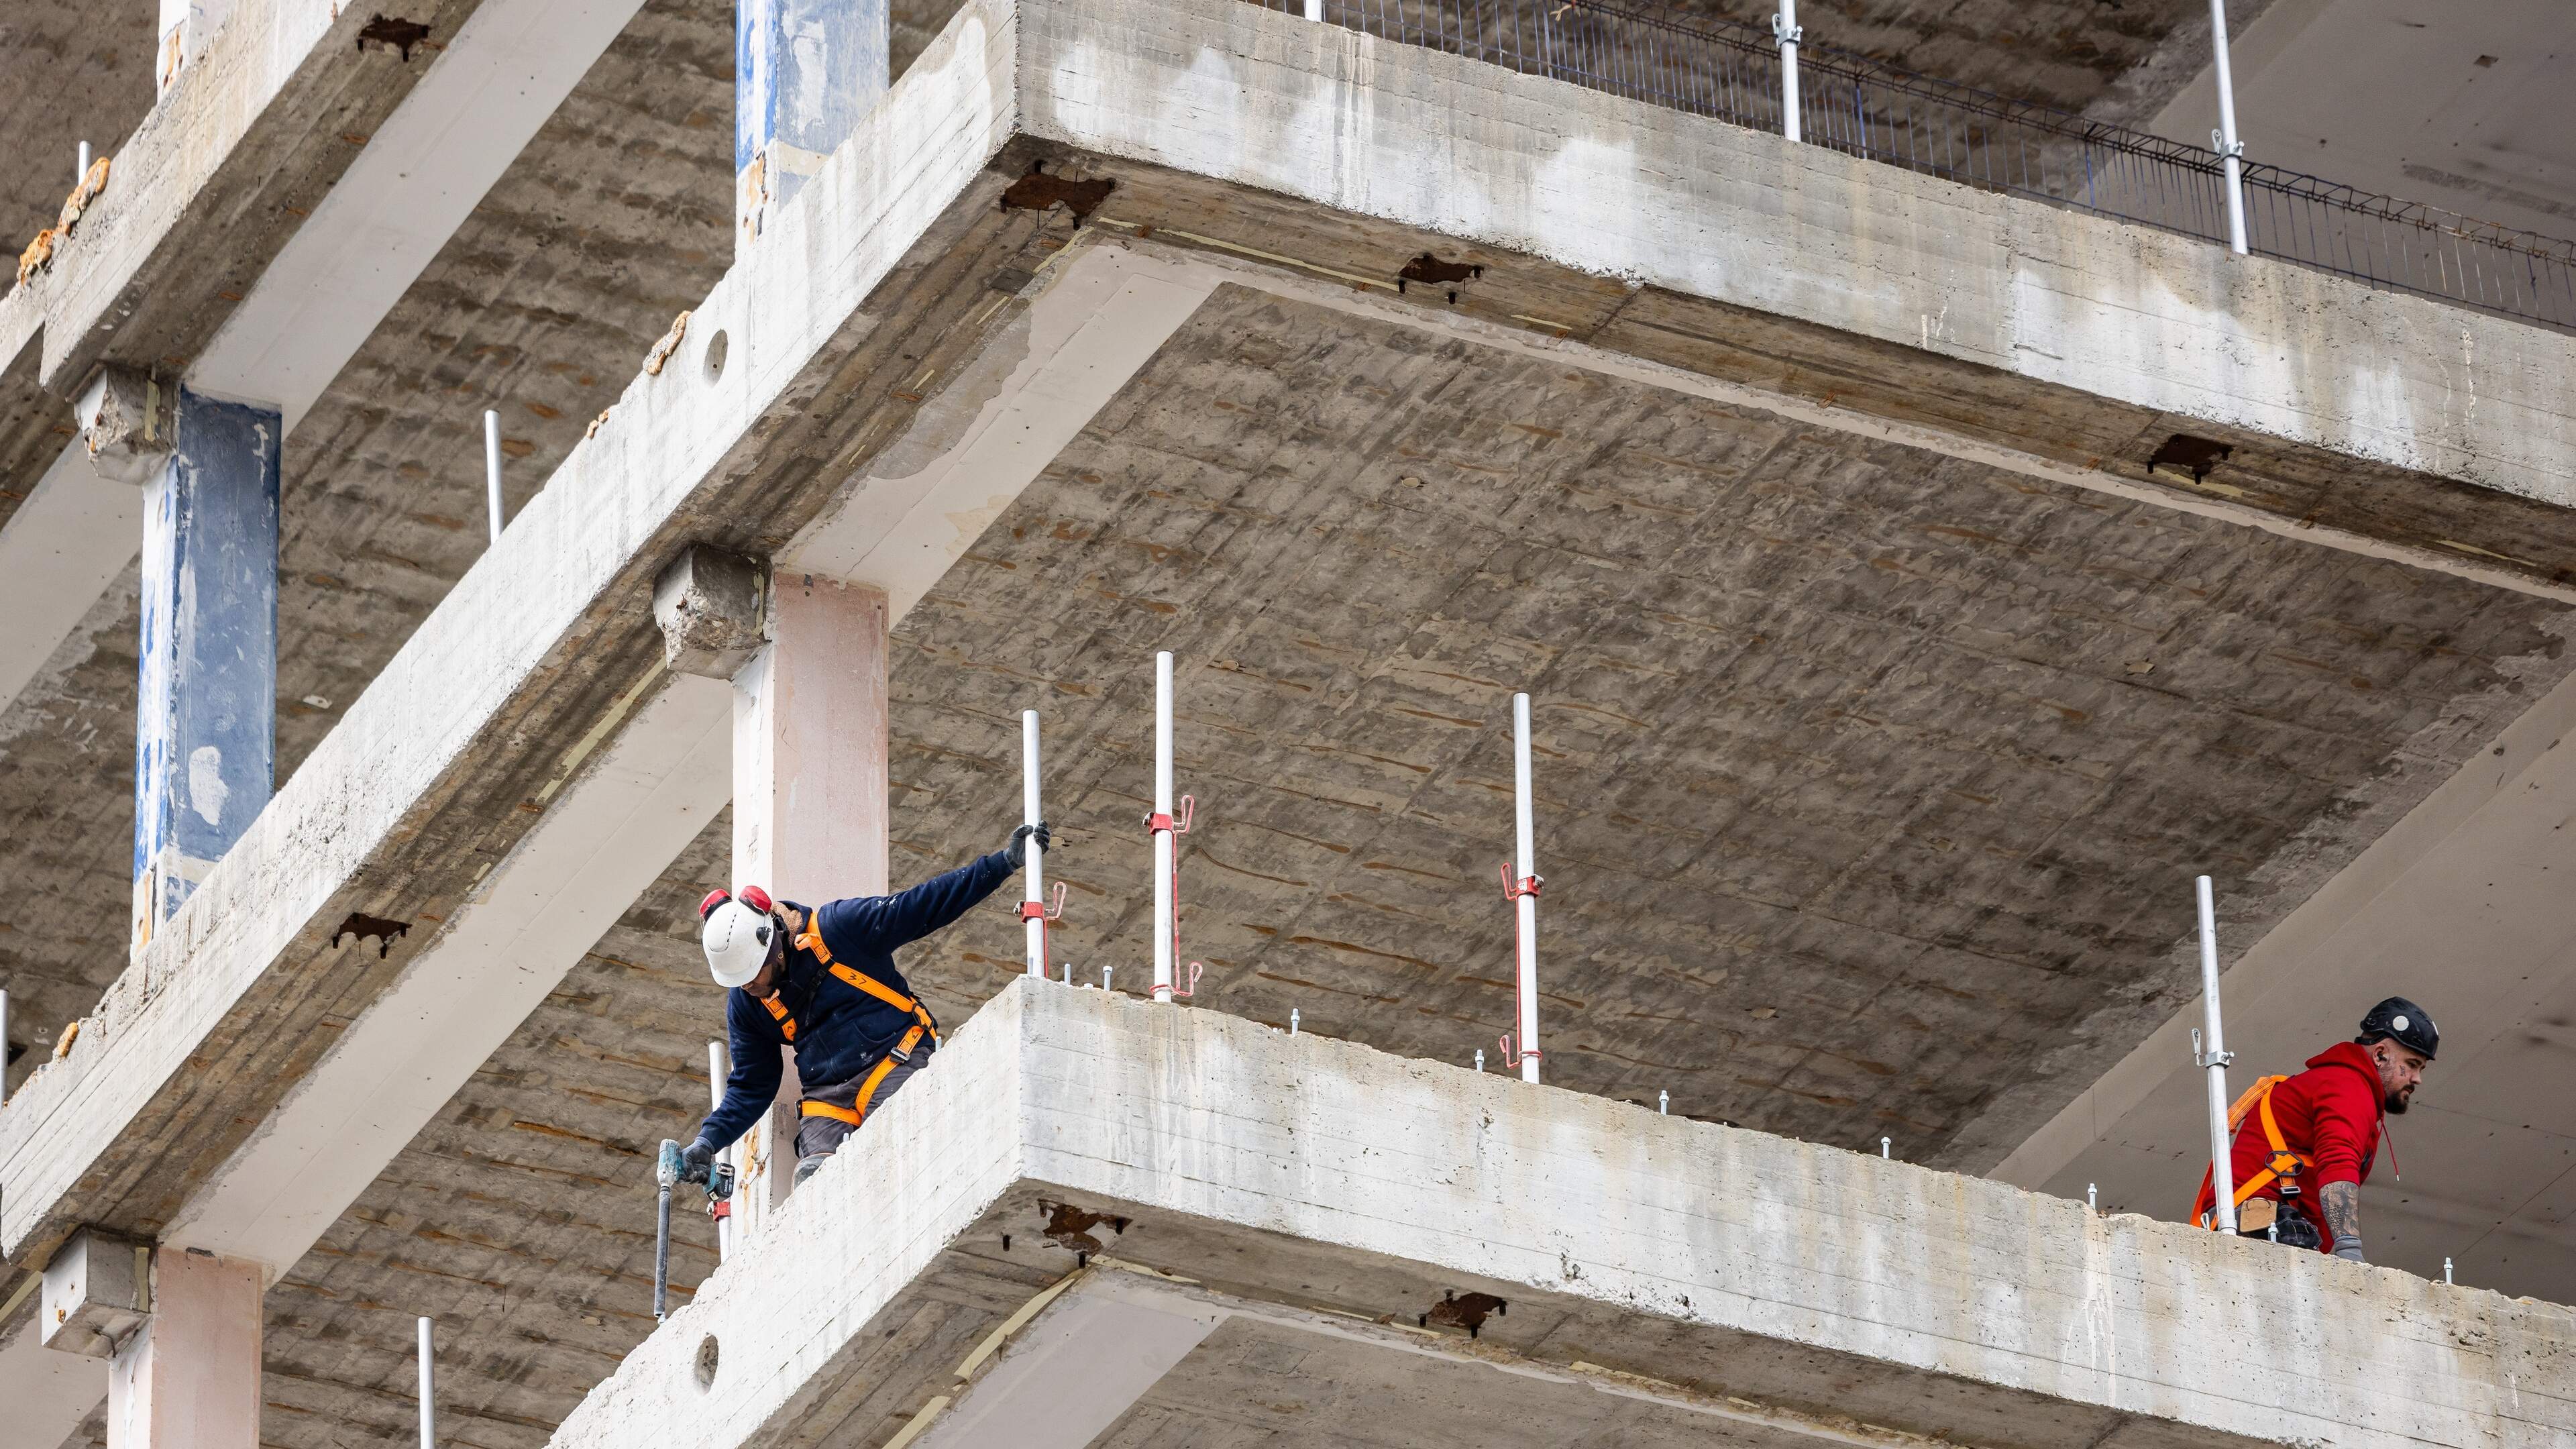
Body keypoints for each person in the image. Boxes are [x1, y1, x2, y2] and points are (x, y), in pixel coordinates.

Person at [680, 823, 1047, 1187]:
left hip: (893, 1061)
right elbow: (752, 1084)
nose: (749, 985)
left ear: (774, 943)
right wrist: (708, 1141)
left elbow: (926, 905)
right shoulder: (746, 1000)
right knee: (816, 1188)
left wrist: (1003, 863)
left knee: (899, 1145)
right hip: (826, 1099)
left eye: (753, 974)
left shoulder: (840, 928)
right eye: (739, 980)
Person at [2192, 996, 2435, 1262]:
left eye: (2420, 1068)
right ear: (2380, 1055)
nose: (2417, 1079)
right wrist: (2350, 1251)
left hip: (2253, 1220)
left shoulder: (2341, 1082)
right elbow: (2337, 1162)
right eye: (2412, 1064)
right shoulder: (2348, 1085)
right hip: (2256, 1220)